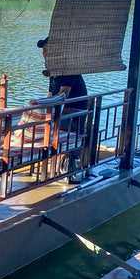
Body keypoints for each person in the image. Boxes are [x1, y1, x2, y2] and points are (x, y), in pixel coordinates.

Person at [37, 36, 89, 180]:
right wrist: (36, 107)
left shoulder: (67, 68)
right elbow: (50, 96)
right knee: (34, 120)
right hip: (61, 112)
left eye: (49, 50)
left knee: (41, 125)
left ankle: (67, 163)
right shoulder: (53, 70)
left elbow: (62, 95)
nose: (46, 54)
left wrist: (43, 109)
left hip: (73, 115)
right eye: (44, 50)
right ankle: (43, 159)